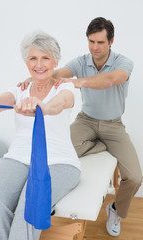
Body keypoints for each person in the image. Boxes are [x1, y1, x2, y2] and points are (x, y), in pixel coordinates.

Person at [19, 17, 142, 237]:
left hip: (113, 125)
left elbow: (110, 79)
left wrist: (77, 82)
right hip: (85, 121)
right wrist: (31, 79)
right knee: (56, 155)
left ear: (111, 41)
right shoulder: (80, 62)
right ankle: (99, 145)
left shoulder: (124, 62)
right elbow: (55, 74)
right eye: (91, 41)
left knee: (134, 177)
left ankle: (116, 211)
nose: (95, 47)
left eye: (100, 43)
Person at [0, 31, 81, 240]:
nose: (39, 64)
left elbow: (60, 103)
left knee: (29, 209)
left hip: (58, 162)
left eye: (45, 57)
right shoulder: (21, 89)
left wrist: (42, 106)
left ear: (55, 61)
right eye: (33, 58)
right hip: (17, 158)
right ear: (26, 62)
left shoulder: (65, 87)